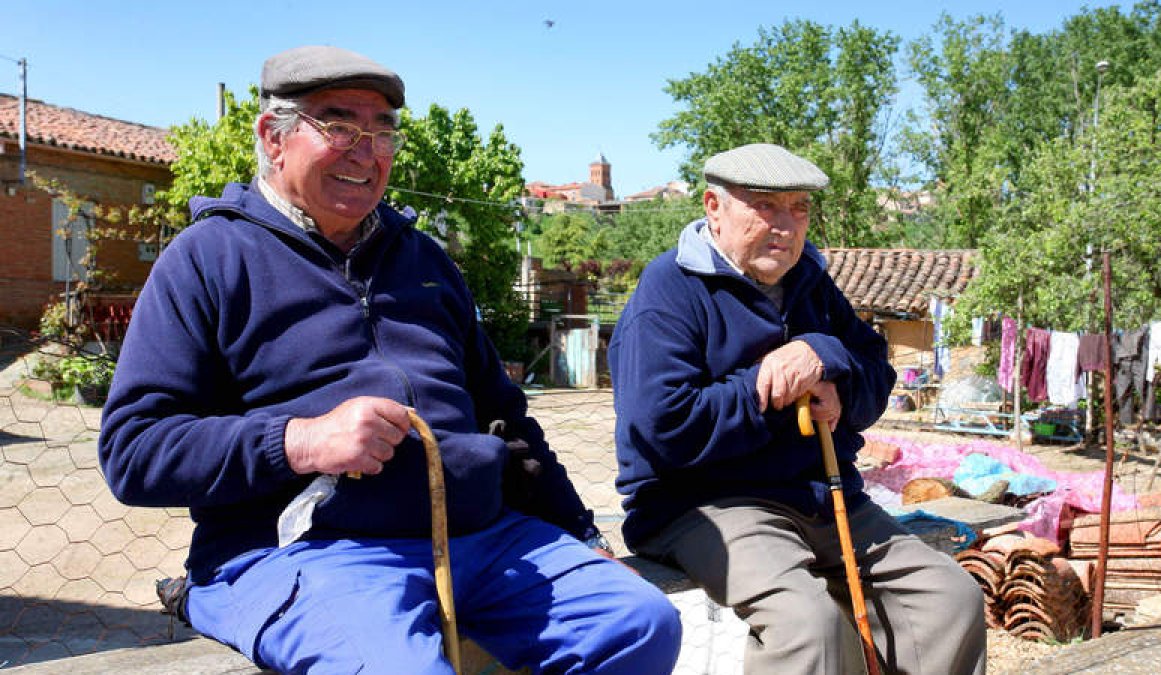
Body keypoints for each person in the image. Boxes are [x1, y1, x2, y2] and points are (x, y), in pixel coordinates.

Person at [99, 45, 680, 675]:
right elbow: (134, 451)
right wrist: (300, 441)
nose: (367, 150)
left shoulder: (424, 261)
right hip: (312, 554)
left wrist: (582, 533)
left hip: (481, 540)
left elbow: (507, 421)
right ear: (274, 136)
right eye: (340, 125)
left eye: (382, 131)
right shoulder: (207, 259)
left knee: (637, 623)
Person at [608, 143, 985, 674]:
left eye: (799, 208)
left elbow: (874, 370)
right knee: (808, 627)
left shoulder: (810, 282)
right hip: (706, 505)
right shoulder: (669, 291)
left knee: (948, 598)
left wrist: (827, 360)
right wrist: (774, 389)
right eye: (765, 206)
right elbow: (666, 428)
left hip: (821, 496)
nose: (786, 226)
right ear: (713, 207)